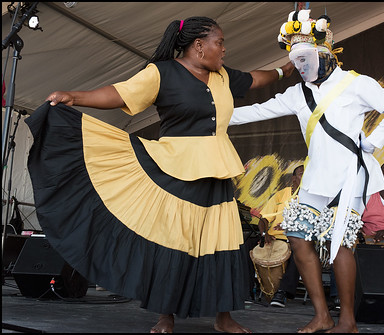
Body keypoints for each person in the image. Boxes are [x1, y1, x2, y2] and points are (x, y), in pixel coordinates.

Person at [26, 16, 295, 333]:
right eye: (219, 42)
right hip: (175, 168)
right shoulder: (161, 73)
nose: (224, 49)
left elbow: (254, 79)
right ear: (198, 46)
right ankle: (165, 316)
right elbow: (121, 94)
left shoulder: (223, 76)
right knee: (173, 243)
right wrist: (75, 96)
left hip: (217, 171)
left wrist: (283, 70)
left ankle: (224, 319)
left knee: (223, 243)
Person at [229, 10, 384, 333]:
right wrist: (213, 115)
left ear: (325, 54)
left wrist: (372, 142)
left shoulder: (356, 83)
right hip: (316, 178)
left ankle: (348, 321)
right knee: (297, 239)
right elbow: (258, 111)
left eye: (305, 59)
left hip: (350, 176)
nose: (300, 67)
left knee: (340, 244)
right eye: (296, 61)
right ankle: (322, 315)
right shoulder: (298, 93)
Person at [250, 165, 304, 308]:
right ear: (293, 179)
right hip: (274, 238)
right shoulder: (281, 195)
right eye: (301, 174)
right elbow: (264, 219)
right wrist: (264, 233)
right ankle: (246, 291)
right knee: (244, 247)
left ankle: (282, 292)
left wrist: (291, 227)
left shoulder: (312, 198)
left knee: (299, 253)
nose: (305, 177)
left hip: (298, 239)